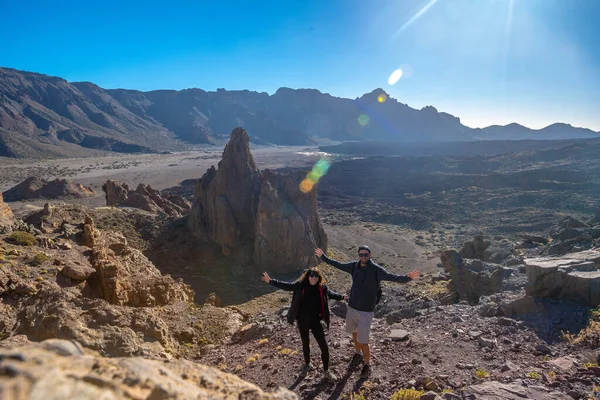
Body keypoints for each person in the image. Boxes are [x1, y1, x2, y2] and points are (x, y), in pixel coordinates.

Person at [314, 246, 420, 378]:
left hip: (366, 312)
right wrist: (323, 256)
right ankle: (357, 354)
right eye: (361, 255)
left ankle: (366, 365)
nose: (363, 257)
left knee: (363, 341)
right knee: (354, 333)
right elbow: (337, 264)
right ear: (358, 255)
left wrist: (408, 277)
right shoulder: (354, 266)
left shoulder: (376, 270)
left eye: (365, 254)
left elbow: (393, 277)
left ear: (370, 255)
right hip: (352, 308)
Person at [261, 267, 346, 381]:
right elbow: (287, 286)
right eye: (311, 276)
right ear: (308, 276)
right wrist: (271, 281)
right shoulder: (299, 285)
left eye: (316, 276)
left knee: (324, 347)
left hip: (316, 321)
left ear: (318, 277)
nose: (314, 278)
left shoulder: (322, 288)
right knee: (305, 343)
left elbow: (331, 294)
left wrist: (342, 297)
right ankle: (307, 364)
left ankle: (326, 371)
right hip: (302, 321)